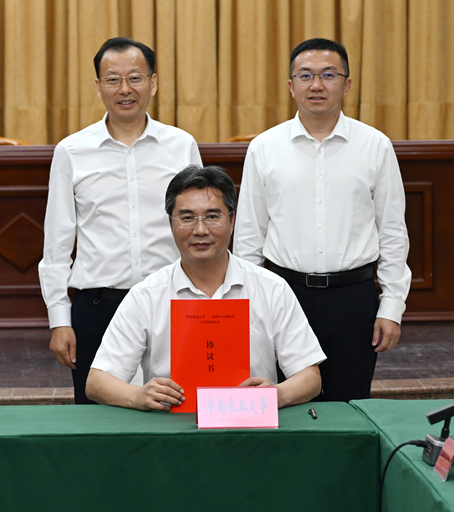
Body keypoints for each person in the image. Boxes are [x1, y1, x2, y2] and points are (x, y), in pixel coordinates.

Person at [234, 37, 411, 402]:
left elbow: (393, 231)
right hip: (284, 295)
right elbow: (250, 235)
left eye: (328, 75)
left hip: (353, 300)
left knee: (350, 406)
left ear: (347, 85)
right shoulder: (264, 148)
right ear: (291, 86)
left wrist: (392, 307)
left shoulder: (375, 145)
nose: (316, 84)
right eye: (306, 75)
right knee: (283, 405)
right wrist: (247, 308)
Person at [39, 37, 202, 404]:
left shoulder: (181, 146)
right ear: (98, 87)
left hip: (171, 303)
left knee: (177, 408)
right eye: (113, 80)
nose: (125, 89)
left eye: (135, 77)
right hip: (98, 307)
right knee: (97, 417)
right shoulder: (71, 151)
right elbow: (57, 245)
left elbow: (200, 230)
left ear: (153, 83)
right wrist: (59, 319)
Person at [86, 165, 324, 410]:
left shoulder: (271, 288)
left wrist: (276, 395)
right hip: (170, 424)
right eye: (187, 218)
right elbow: (97, 381)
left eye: (212, 217)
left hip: (251, 423)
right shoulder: (146, 295)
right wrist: (137, 396)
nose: (200, 230)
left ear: (232, 220)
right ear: (170, 223)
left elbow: (310, 377)